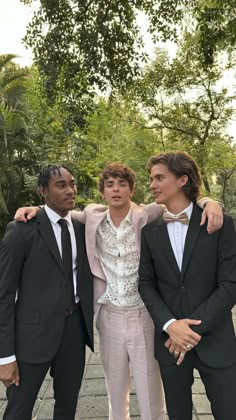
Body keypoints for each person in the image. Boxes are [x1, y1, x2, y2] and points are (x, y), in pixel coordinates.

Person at [14, 162, 223, 420]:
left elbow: (184, 201)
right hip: (109, 317)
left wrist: (211, 203)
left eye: (122, 184)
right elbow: (58, 213)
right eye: (110, 185)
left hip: (143, 315)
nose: (116, 190)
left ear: (132, 189)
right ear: (102, 191)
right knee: (115, 392)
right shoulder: (91, 216)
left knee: (150, 394)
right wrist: (34, 208)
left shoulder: (149, 213)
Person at [138, 152, 236, 420]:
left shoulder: (220, 224)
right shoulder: (149, 231)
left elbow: (230, 284)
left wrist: (189, 331)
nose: (152, 184)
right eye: (151, 178)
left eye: (159, 178)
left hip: (216, 340)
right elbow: (146, 284)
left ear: (182, 180)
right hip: (170, 344)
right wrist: (171, 326)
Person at [0, 164, 94, 420]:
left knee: (67, 407)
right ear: (43, 191)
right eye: (61, 185)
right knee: (19, 410)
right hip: (32, 336)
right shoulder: (20, 231)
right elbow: (4, 296)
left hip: (74, 331)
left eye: (72, 184)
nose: (70, 190)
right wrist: (5, 356)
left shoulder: (81, 227)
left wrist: (205, 202)